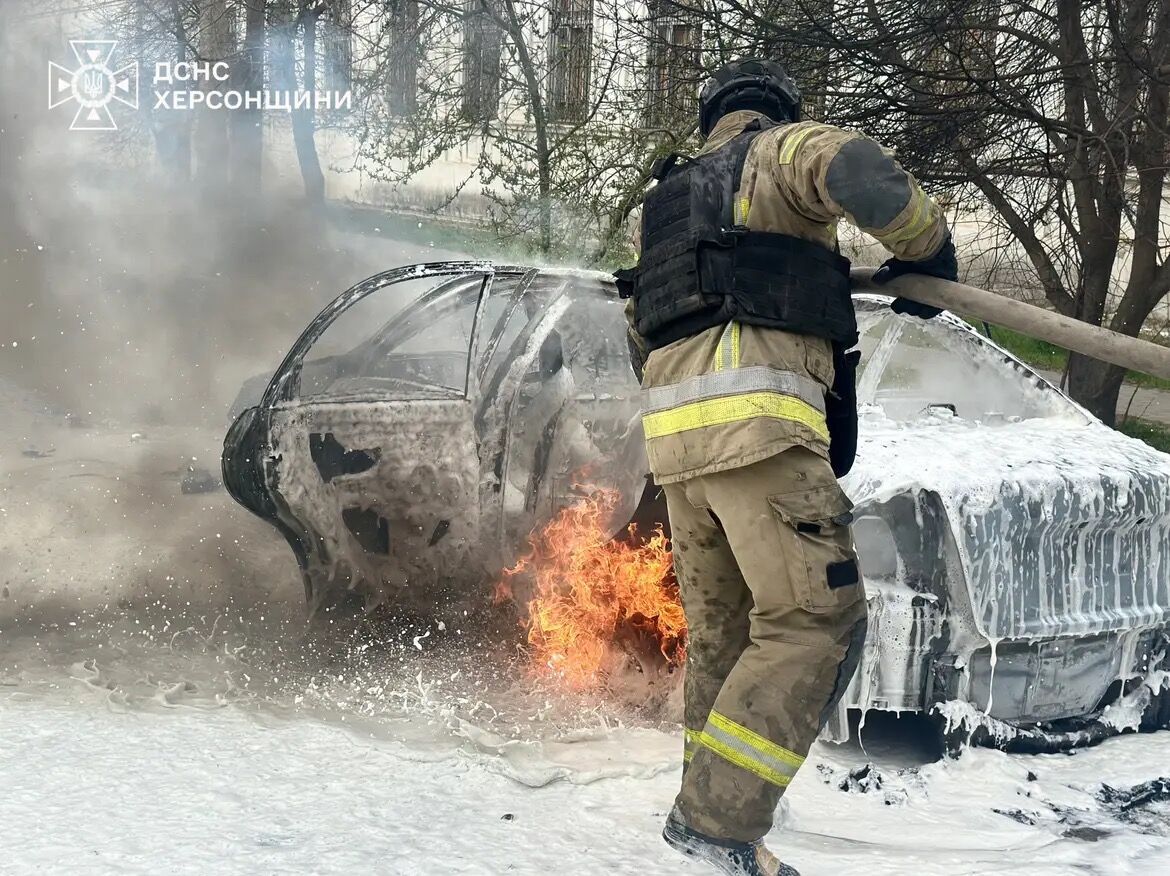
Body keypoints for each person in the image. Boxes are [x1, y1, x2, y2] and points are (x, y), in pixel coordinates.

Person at [616, 58, 958, 876]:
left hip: (677, 448)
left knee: (725, 639)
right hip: (759, 431)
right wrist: (929, 254)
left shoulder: (665, 207)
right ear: (772, 110)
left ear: (709, 118)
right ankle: (716, 821)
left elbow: (642, 330)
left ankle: (710, 812)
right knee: (815, 619)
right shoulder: (781, 152)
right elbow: (858, 168)